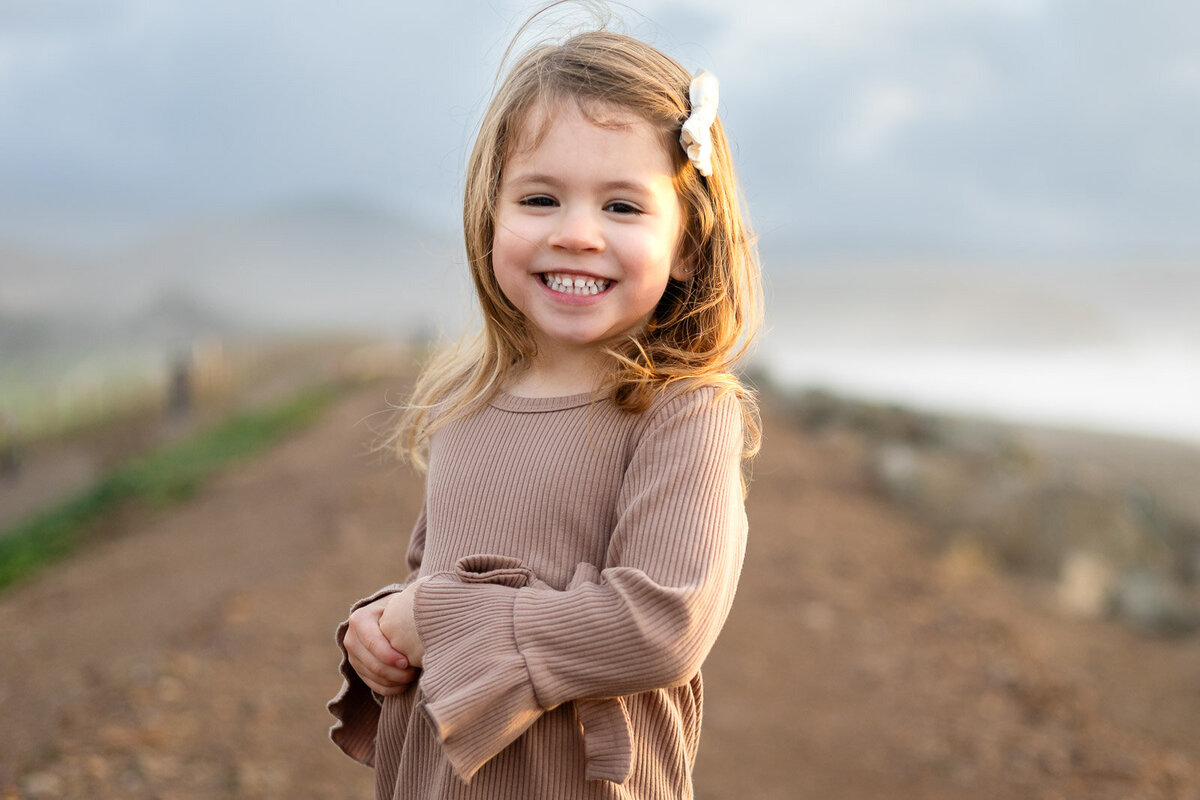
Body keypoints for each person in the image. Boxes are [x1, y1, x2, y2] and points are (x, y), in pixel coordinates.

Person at [327, 13, 762, 799]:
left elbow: (662, 623)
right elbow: (443, 583)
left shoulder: (685, 412)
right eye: (540, 198)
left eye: (623, 208)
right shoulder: (469, 405)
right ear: (491, 214)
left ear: (689, 245)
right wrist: (387, 624)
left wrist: (440, 622)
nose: (578, 234)